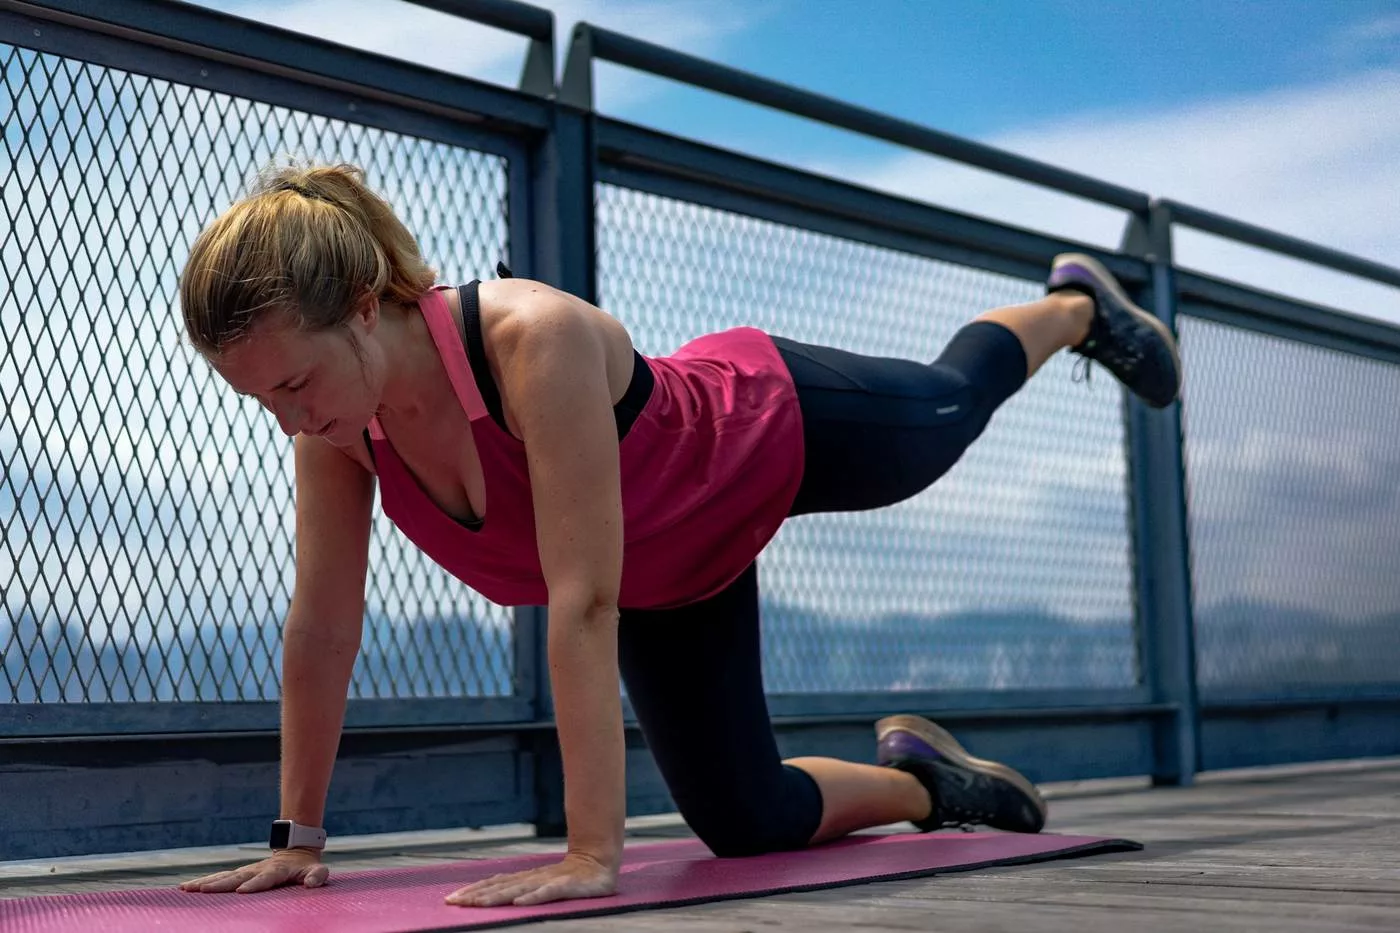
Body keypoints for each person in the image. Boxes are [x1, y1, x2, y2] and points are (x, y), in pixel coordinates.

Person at [175, 163, 1180, 908]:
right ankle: (924, 782)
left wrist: (589, 852)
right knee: (744, 824)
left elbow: (581, 601)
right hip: (670, 572)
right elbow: (321, 630)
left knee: (943, 418)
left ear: (361, 309)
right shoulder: (337, 435)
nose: (288, 420)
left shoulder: (531, 340)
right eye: (260, 400)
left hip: (759, 433)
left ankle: (1071, 306)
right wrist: (297, 838)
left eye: (294, 384)